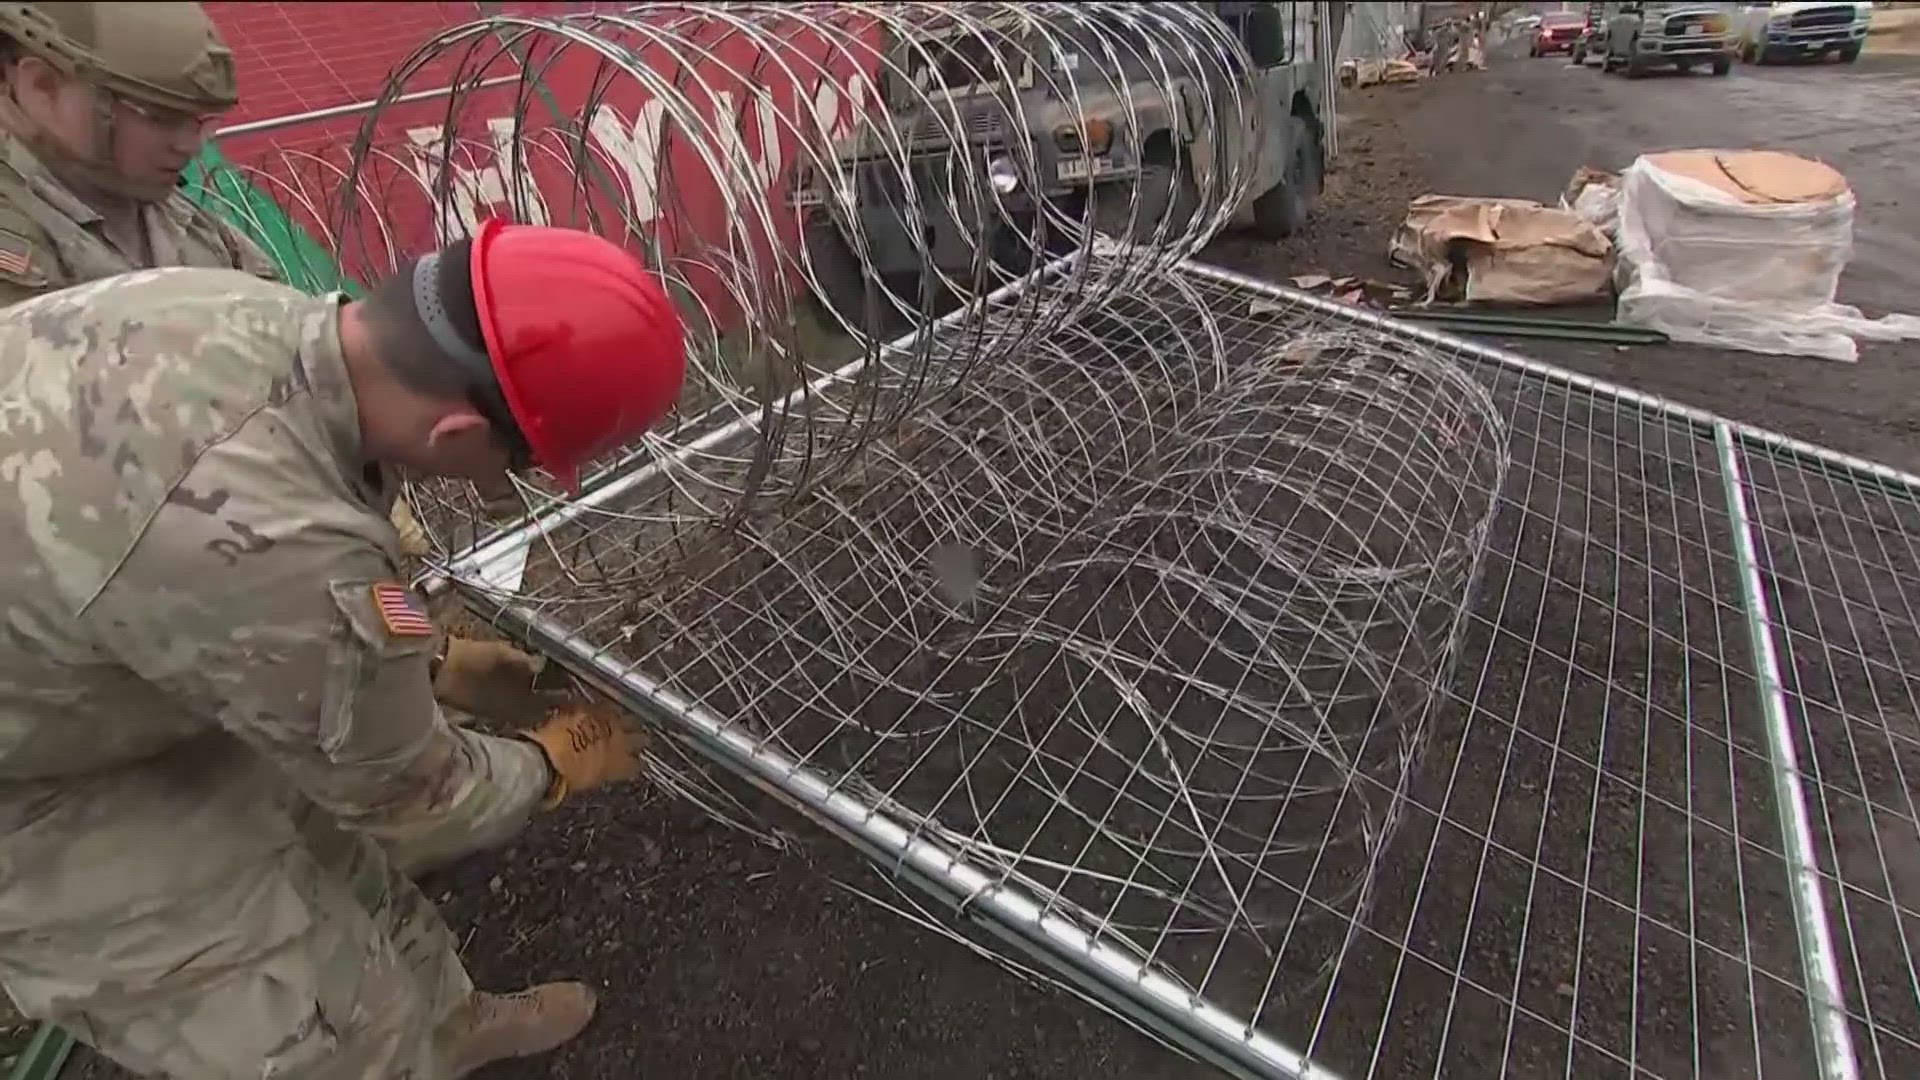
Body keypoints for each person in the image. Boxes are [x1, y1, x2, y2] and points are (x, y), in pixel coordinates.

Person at [0, 218, 688, 1079]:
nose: (496, 486)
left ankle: (454, 1024)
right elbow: (416, 799)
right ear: (454, 436)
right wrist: (550, 765)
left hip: (94, 638)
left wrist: (432, 663)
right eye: (514, 465)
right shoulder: (276, 541)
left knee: (331, 851)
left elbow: (250, 619)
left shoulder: (241, 316)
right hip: (40, 789)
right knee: (315, 1029)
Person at [0, 0, 556, 734]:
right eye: (160, 117)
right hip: (60, 667)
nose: (188, 145)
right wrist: (410, 653)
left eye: (198, 123)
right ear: (41, 86)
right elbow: (155, 510)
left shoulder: (157, 208)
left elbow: (297, 360)